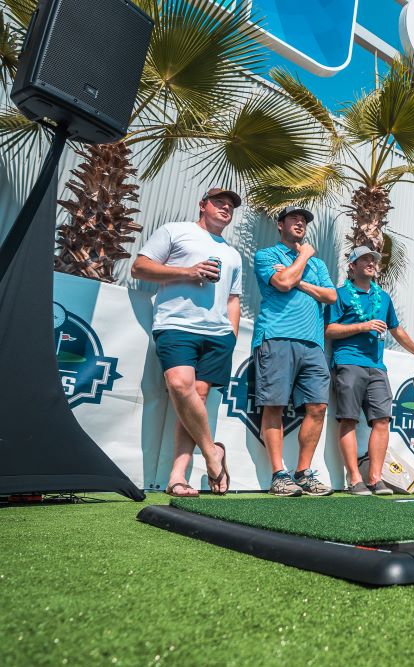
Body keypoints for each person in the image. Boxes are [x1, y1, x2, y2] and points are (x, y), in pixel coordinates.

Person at [131, 188, 243, 497]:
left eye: (230, 205)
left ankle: (177, 477)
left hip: (218, 336)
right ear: (202, 205)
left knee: (197, 404)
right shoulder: (175, 231)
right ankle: (212, 453)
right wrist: (187, 271)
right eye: (219, 202)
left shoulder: (232, 253)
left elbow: (234, 299)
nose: (225, 208)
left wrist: (231, 335)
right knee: (180, 386)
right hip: (176, 325)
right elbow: (139, 267)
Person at [325, 246, 414, 495]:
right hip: (348, 362)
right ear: (352, 266)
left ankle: (374, 477)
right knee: (348, 419)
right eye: (365, 259)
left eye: (373, 259)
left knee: (382, 420)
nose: (371, 263)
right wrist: (362, 326)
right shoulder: (340, 295)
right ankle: (354, 479)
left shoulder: (383, 297)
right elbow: (329, 330)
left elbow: (397, 330)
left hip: (376, 367)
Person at [252, 205, 339, 496]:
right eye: (294, 218)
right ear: (280, 225)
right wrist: (303, 256)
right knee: (274, 404)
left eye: (303, 220)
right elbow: (282, 282)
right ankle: (279, 474)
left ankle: (302, 473)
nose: (300, 223)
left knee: (318, 407)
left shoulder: (319, 265)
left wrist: (300, 280)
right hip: (276, 337)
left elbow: (330, 295)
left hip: (312, 343)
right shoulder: (267, 255)